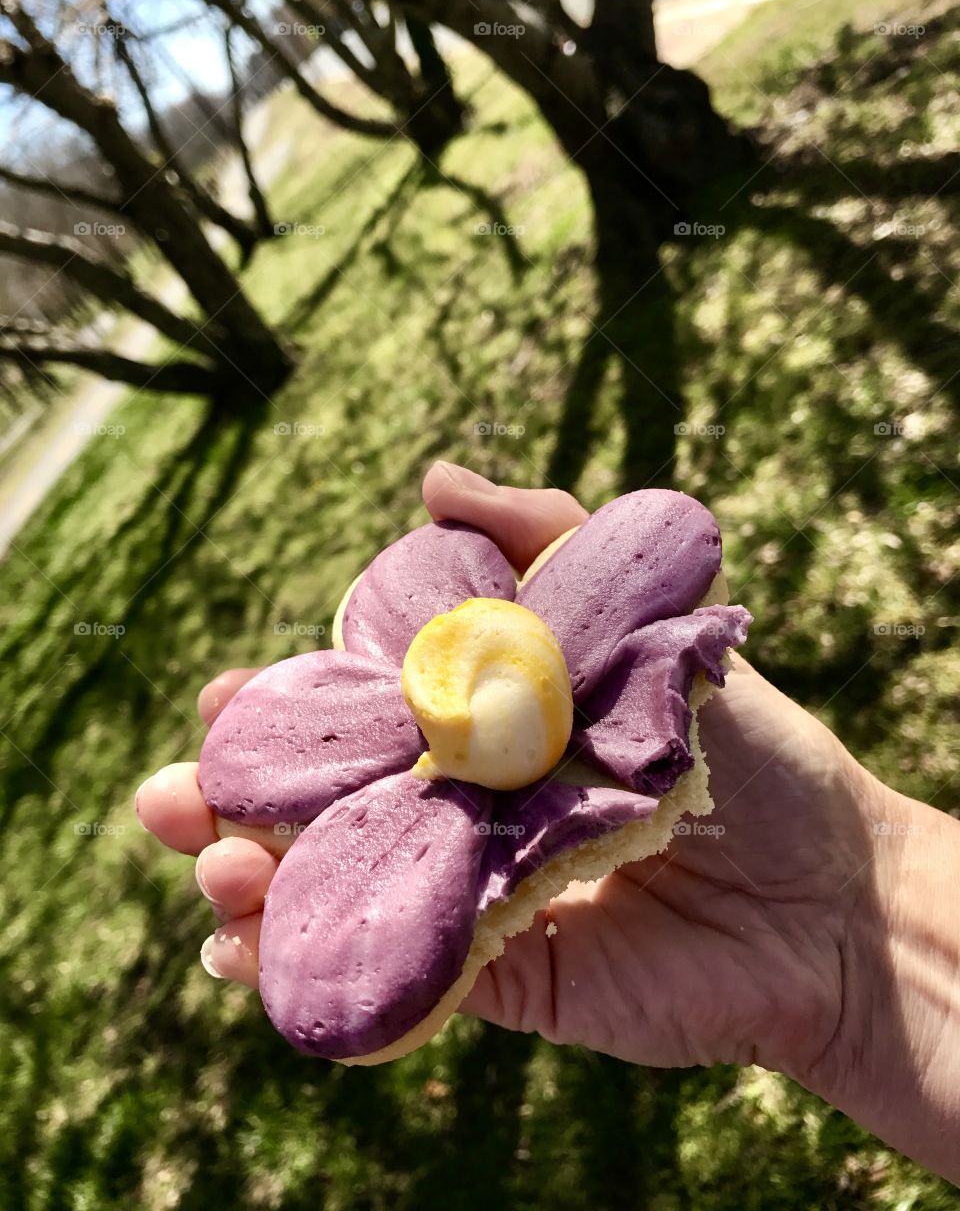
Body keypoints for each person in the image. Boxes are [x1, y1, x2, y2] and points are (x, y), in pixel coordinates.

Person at [136, 461, 960, 1184]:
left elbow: (665, 535)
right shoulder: (373, 700)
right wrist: (843, 973)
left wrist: (851, 926)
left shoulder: (611, 588)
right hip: (408, 793)